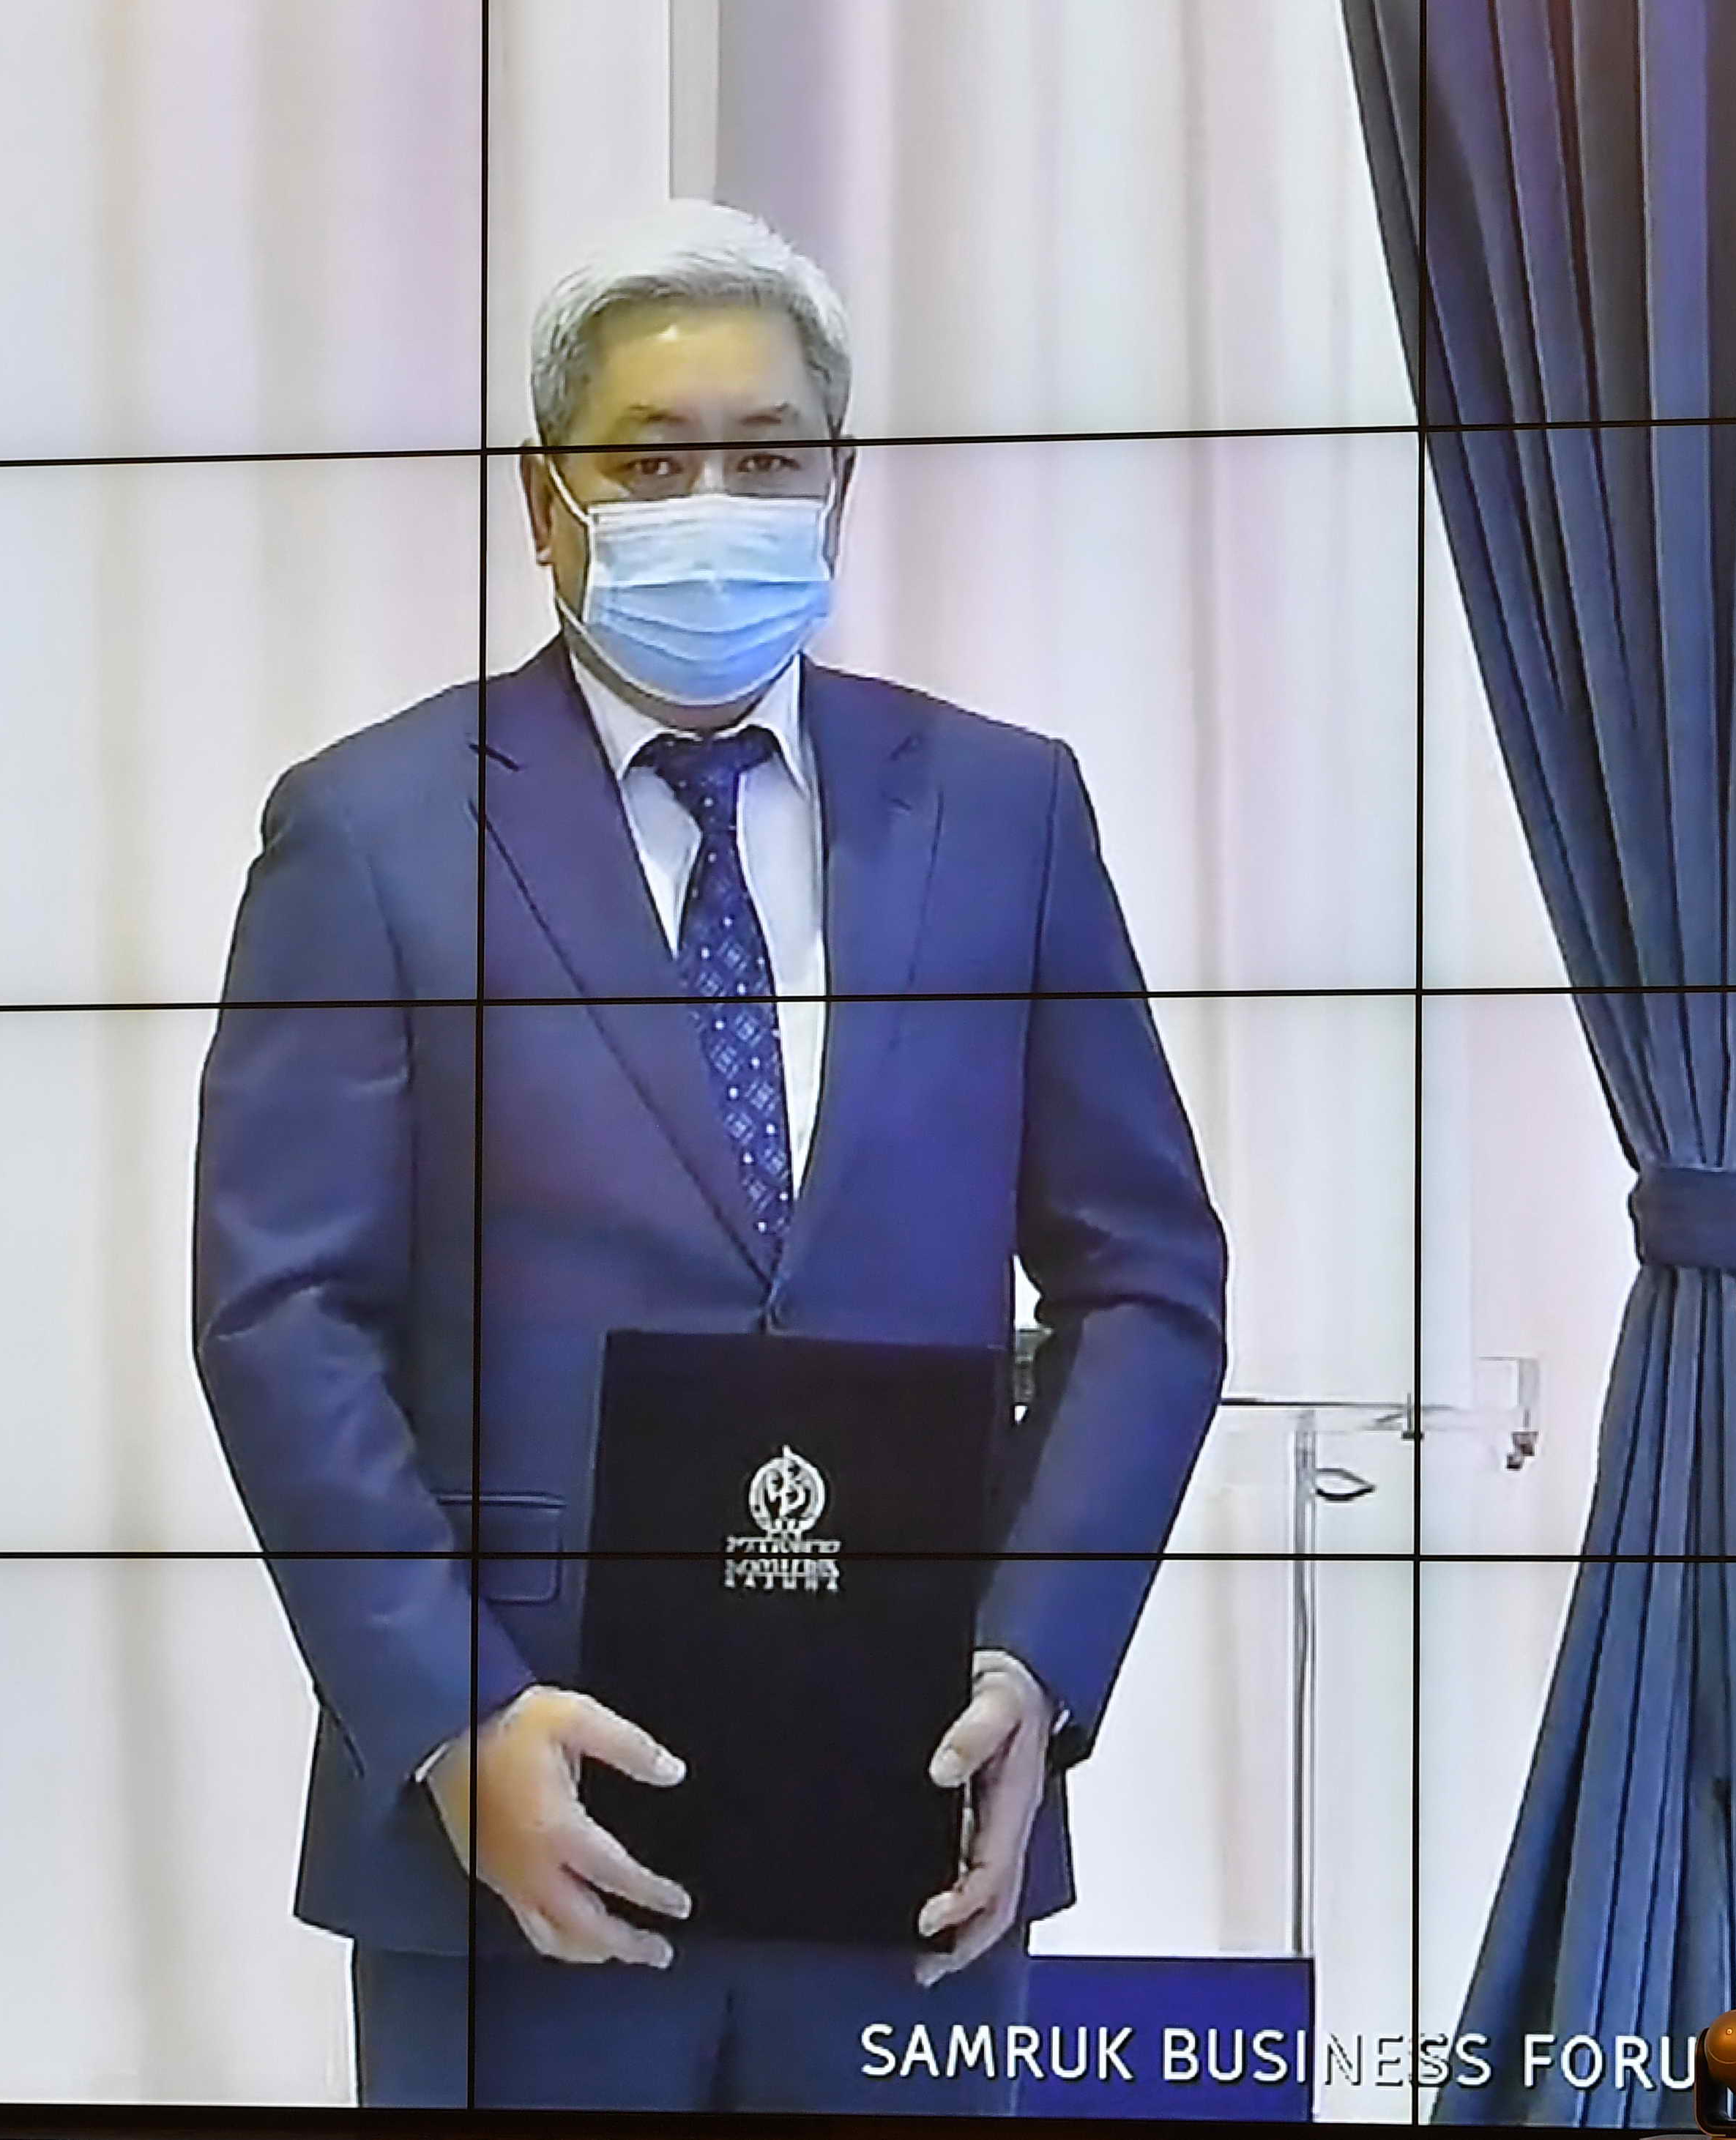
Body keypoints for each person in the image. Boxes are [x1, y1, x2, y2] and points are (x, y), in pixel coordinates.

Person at [192, 199, 1228, 2114]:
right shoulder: (372, 829)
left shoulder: (1003, 809)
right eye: (651, 462)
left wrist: (1041, 1665)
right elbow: (282, 1317)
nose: (714, 502)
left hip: (916, 1810)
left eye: (766, 457)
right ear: (544, 502)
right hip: (517, 1827)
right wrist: (451, 1712)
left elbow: (1149, 1278)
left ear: (837, 485)